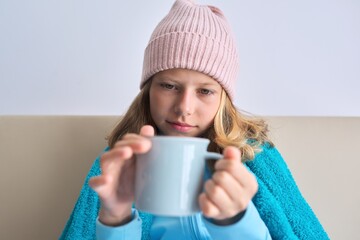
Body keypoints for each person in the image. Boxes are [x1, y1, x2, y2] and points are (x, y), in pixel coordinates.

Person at [60, 0, 329, 239]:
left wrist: (235, 220)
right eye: (169, 86)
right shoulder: (119, 166)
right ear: (148, 90)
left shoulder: (255, 158)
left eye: (205, 91)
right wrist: (117, 219)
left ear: (223, 99)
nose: (184, 108)